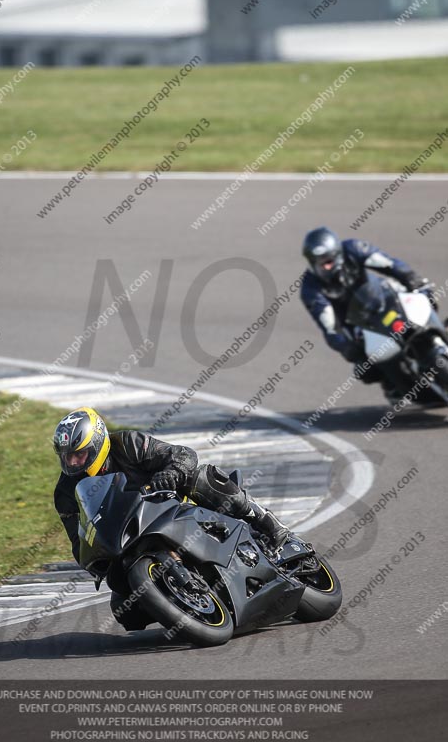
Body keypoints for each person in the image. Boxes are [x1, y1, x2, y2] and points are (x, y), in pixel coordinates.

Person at [53, 406, 289, 629]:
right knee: (126, 613)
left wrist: (170, 473)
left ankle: (262, 519)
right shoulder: (65, 492)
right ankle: (181, 607)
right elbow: (78, 539)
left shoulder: (127, 444)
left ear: (97, 444)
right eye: (67, 457)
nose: (72, 463)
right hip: (126, 538)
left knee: (200, 477)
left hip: (167, 504)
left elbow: (183, 455)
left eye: (79, 455)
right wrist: (94, 559)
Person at [300, 227, 433, 397]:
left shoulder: (354, 248)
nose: (325, 267)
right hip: (356, 324)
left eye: (328, 261)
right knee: (365, 369)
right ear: (311, 262)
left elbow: (389, 264)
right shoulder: (310, 288)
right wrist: (345, 347)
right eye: (319, 263)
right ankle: (392, 383)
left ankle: (438, 336)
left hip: (383, 297)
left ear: (337, 253)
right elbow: (328, 326)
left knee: (423, 299)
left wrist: (413, 280)